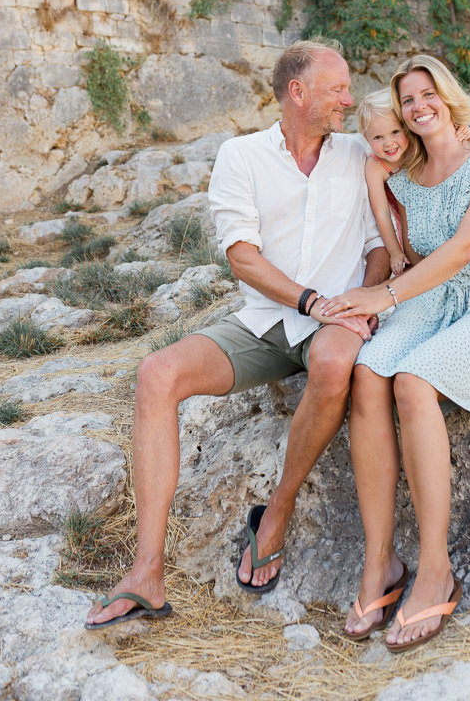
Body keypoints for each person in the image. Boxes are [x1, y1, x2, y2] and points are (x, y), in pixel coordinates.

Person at [84, 39, 389, 628]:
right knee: (156, 373)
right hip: (267, 320)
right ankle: (146, 571)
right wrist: (310, 301)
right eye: (338, 90)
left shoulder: (358, 153)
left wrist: (360, 302)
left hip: (341, 322)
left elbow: (378, 244)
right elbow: (243, 259)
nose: (348, 101)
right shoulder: (241, 156)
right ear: (297, 93)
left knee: (331, 366)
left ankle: (276, 511)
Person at [321, 53, 470, 653]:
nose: (419, 108)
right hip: (431, 306)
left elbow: (468, 247)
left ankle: (436, 566)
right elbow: (366, 164)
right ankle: (380, 563)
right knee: (368, 371)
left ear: (448, 97)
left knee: (412, 381)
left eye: (428, 95)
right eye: (408, 101)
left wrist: (382, 293)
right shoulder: (403, 173)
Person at [355, 90, 470, 277]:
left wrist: (463, 129)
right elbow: (382, 214)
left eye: (395, 132)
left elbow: (447, 141)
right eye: (377, 137)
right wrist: (395, 253)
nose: (388, 143)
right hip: (407, 218)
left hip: (436, 205)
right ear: (366, 138)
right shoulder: (375, 166)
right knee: (417, 260)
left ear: (406, 127)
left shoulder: (416, 144)